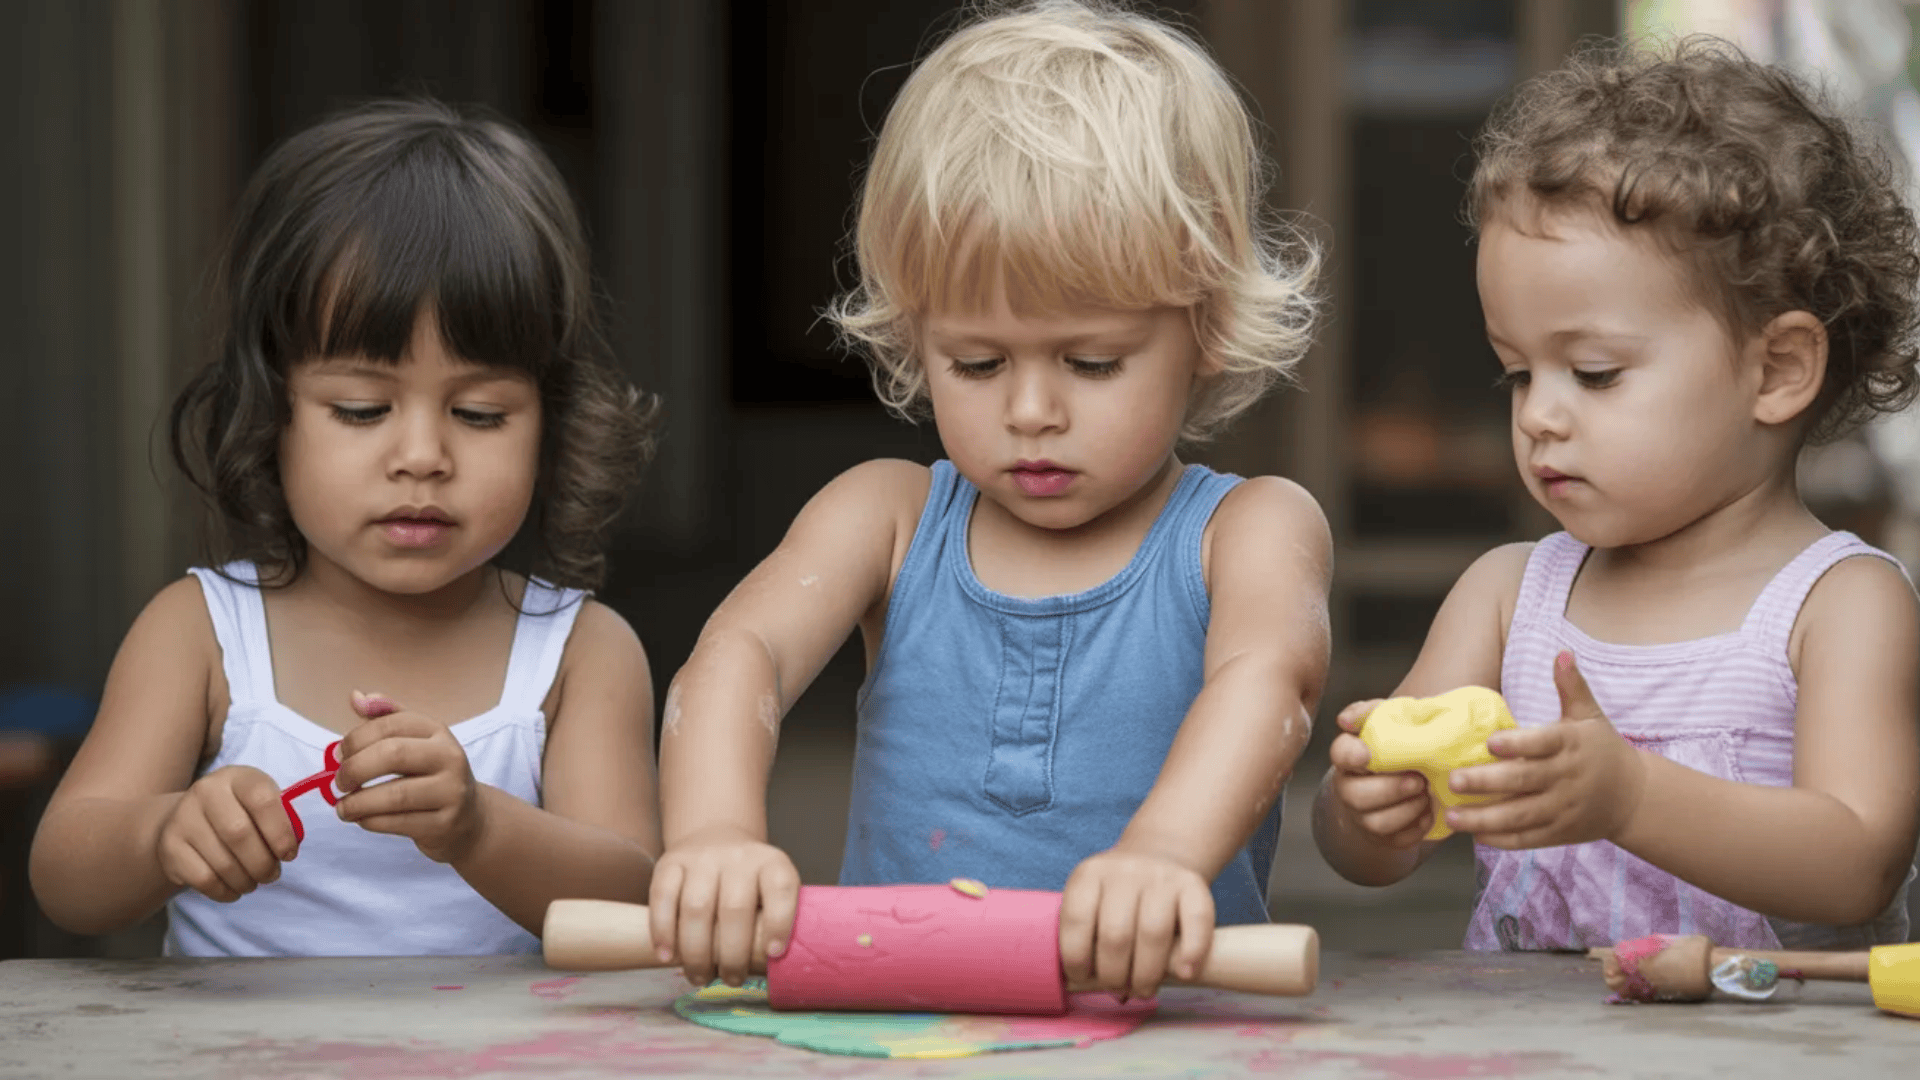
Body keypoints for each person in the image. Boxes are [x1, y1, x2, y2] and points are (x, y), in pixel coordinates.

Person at [649, 0, 1330, 1000]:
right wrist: (712, 837)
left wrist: (1163, 855)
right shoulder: (884, 517)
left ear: (1209, 327)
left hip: (1173, 1039)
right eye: (975, 361)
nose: (1030, 410)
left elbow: (1268, 685)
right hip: (903, 1031)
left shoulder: (1248, 531)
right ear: (915, 336)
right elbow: (735, 657)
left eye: (1092, 362)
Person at [1314, 37, 1920, 951]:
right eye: (1518, 374)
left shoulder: (1839, 605)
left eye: (1593, 374)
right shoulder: (1510, 595)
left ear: (1779, 370)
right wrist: (1366, 807)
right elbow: (1363, 858)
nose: (1540, 417)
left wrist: (1630, 795)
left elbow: (1856, 863)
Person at [29, 99, 663, 956]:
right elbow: (66, 880)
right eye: (363, 409)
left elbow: (634, 904)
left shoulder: (579, 653)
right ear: (271, 412)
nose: (423, 456)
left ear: (552, 424)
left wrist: (478, 828)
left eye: (479, 414)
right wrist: (164, 833)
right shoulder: (203, 635)